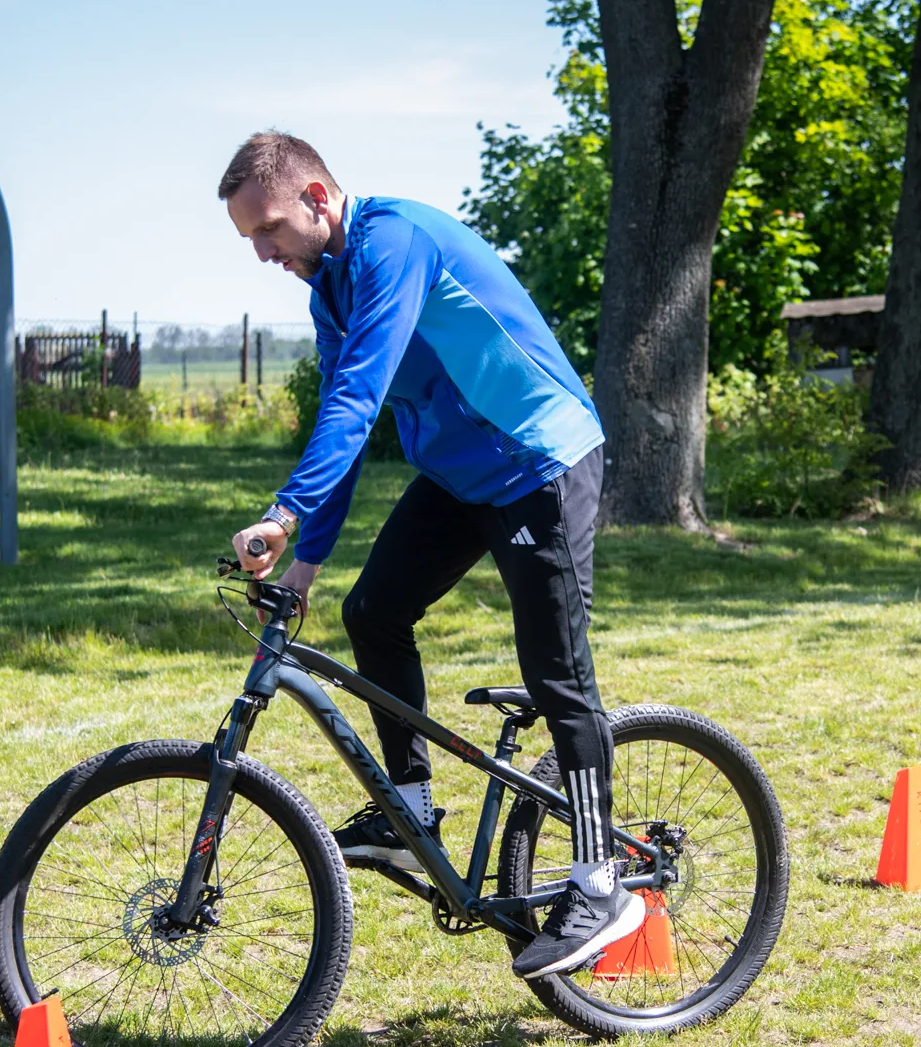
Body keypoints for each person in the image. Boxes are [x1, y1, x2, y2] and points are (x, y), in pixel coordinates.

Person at [219, 132, 638, 979]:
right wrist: (305, 565)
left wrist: (285, 513)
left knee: (557, 670)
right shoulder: (330, 288)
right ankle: (407, 814)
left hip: (539, 460)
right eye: (250, 239)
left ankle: (602, 881)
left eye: (268, 229)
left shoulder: (394, 242)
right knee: (372, 612)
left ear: (317, 198)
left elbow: (358, 394)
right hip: (462, 474)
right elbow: (343, 425)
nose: (263, 253)